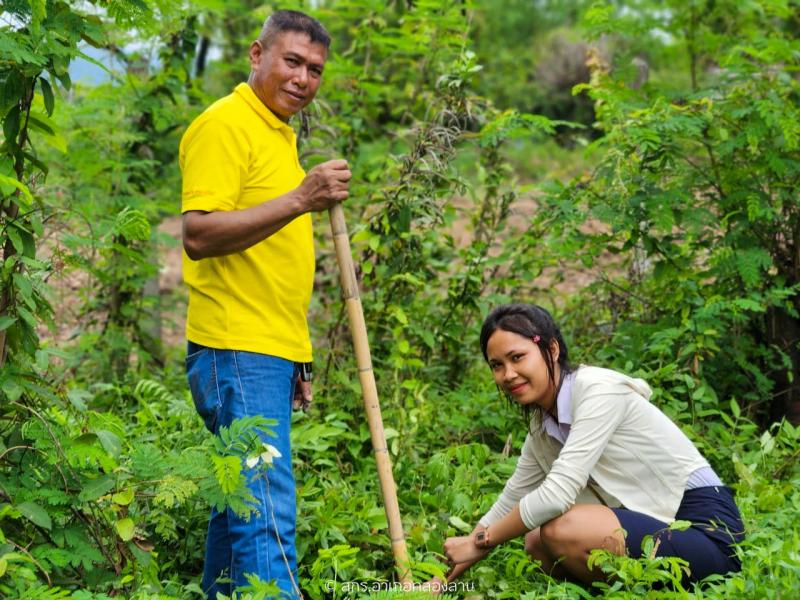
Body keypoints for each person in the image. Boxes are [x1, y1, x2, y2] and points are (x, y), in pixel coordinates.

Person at [180, 10, 351, 599]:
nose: (304, 78)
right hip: (235, 347)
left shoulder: (277, 132)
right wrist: (303, 196)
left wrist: (295, 357)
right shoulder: (225, 124)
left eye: (316, 70)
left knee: (239, 506)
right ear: (257, 55)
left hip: (265, 352)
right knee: (265, 507)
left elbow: (271, 265)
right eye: (293, 61)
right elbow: (199, 235)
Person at [438, 303, 744, 588]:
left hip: (705, 529)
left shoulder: (597, 391)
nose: (508, 374)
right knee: (535, 541)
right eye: (497, 365)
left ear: (552, 349)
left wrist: (482, 541)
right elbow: (511, 500)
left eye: (517, 357)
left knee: (561, 530)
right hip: (653, 526)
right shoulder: (543, 426)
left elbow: (556, 495)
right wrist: (440, 581)